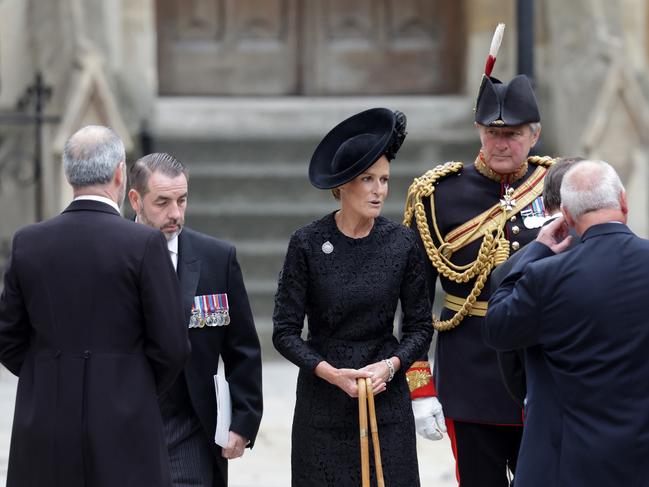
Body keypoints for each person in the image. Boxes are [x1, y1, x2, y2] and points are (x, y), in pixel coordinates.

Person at [402, 29, 556, 485]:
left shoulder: (560, 187)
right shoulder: (436, 195)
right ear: (478, 131)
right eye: (493, 133)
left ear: (535, 135)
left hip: (546, 371)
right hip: (470, 374)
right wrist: (419, 386)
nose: (502, 143)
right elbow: (412, 300)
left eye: (513, 134)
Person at [0, 126, 189, 487]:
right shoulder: (144, 243)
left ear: (68, 173)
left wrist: (49, 376)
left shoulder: (28, 242)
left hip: (45, 421)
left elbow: (8, 338)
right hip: (126, 422)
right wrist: (132, 386)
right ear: (120, 174)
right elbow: (173, 345)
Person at [273, 108, 433, 486]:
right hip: (323, 400)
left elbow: (420, 326)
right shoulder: (307, 243)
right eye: (368, 179)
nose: (379, 190)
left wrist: (392, 366)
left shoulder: (402, 243)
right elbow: (284, 331)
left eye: (384, 180)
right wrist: (329, 373)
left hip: (385, 395)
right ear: (343, 184)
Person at [484, 159, 649, 486]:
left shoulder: (546, 277)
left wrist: (536, 252)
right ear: (624, 201)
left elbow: (498, 328)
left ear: (568, 217)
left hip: (569, 464)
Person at [128, 152, 263, 487]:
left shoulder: (216, 258)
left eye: (182, 200)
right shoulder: (108, 254)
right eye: (162, 202)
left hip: (192, 424)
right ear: (135, 199)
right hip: (125, 421)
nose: (175, 213)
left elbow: (242, 345)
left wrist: (243, 420)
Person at [490, 157, 582, 407]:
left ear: (543, 204)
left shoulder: (507, 271)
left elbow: (511, 366)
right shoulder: (618, 253)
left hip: (542, 407)